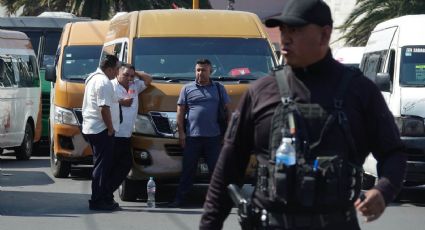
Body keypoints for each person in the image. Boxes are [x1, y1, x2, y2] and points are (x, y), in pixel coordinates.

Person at [200, 0, 407, 229]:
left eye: (295, 30)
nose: (285, 38)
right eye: (283, 30)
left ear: (324, 35)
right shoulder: (260, 92)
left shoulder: (360, 92)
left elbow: (393, 153)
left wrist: (383, 190)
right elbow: (227, 170)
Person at [168, 59, 231, 208]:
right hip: (192, 137)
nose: (200, 73)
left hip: (213, 138)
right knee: (187, 171)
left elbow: (228, 111)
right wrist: (182, 133)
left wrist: (227, 133)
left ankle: (218, 202)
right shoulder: (187, 89)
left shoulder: (219, 88)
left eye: (203, 70)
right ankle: (180, 200)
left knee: (216, 172)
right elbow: (180, 111)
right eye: (198, 70)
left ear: (210, 71)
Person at [82, 54, 121, 211]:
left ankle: (102, 197)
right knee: (102, 166)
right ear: (110, 68)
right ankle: (97, 200)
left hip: (93, 128)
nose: (117, 73)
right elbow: (104, 108)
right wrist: (110, 128)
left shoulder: (93, 77)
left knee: (101, 165)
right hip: (101, 129)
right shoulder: (104, 82)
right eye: (117, 69)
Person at [109, 63, 152, 196]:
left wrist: (135, 73)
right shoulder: (110, 85)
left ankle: (107, 190)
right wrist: (121, 102)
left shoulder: (135, 85)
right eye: (125, 75)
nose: (128, 78)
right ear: (117, 73)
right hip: (113, 133)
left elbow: (149, 79)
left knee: (126, 165)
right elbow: (102, 104)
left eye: (131, 76)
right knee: (111, 166)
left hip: (127, 134)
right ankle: (106, 192)